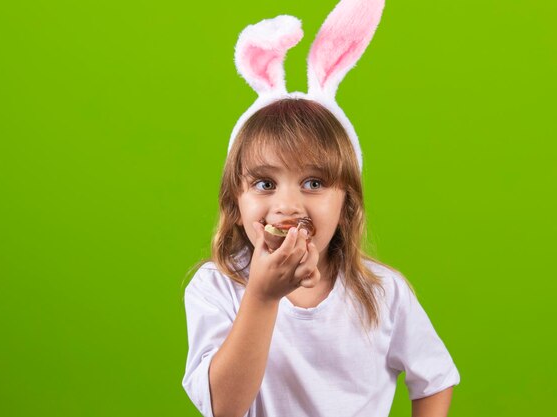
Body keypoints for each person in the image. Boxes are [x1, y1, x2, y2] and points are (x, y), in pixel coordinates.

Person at [182, 1, 460, 416]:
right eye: (264, 183)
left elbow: (436, 378)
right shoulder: (216, 288)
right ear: (235, 205)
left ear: (347, 205)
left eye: (313, 183)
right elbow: (223, 408)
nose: (288, 205)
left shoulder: (383, 294)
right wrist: (260, 296)